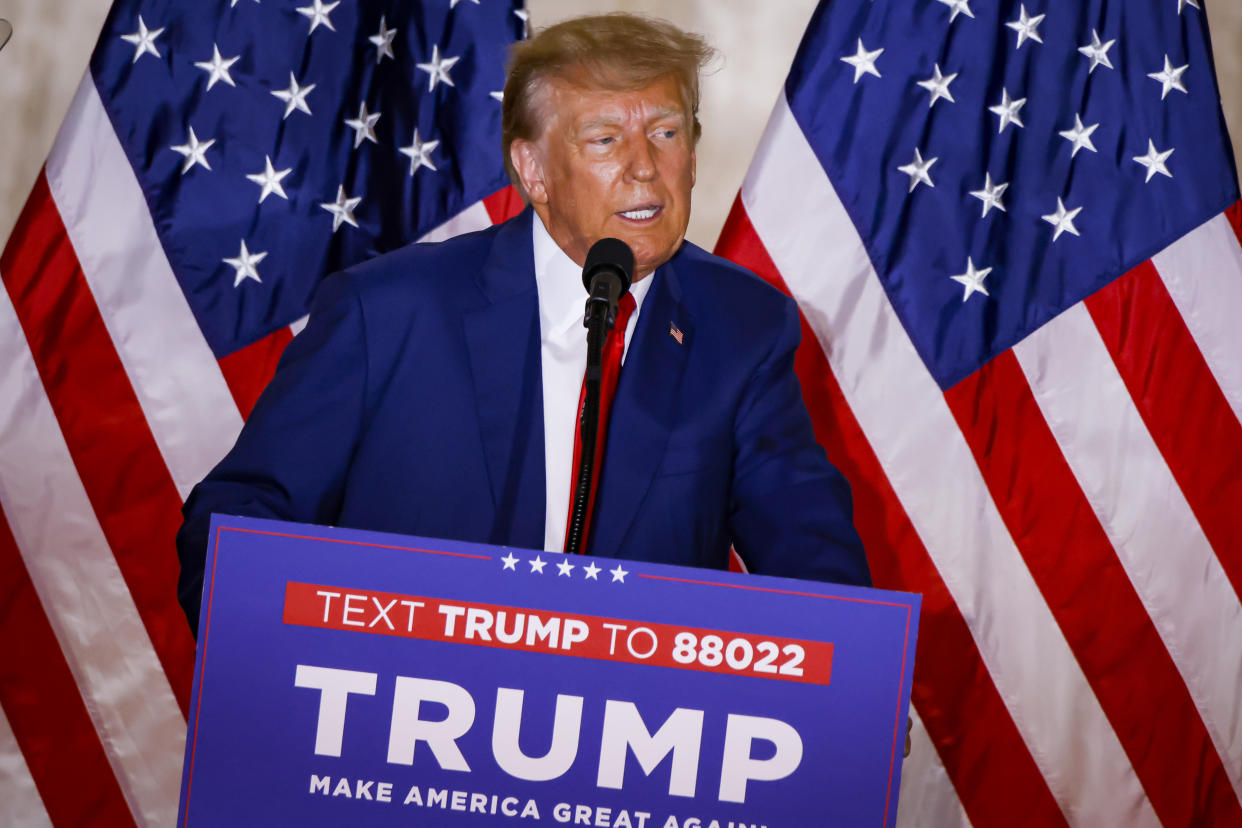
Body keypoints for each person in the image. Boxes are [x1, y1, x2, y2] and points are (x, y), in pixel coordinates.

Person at [176, 14, 870, 636]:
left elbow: (806, 548)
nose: (644, 168)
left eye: (665, 132)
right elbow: (243, 516)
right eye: (604, 139)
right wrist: (278, 650)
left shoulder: (741, 326)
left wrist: (850, 686)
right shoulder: (386, 313)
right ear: (533, 170)